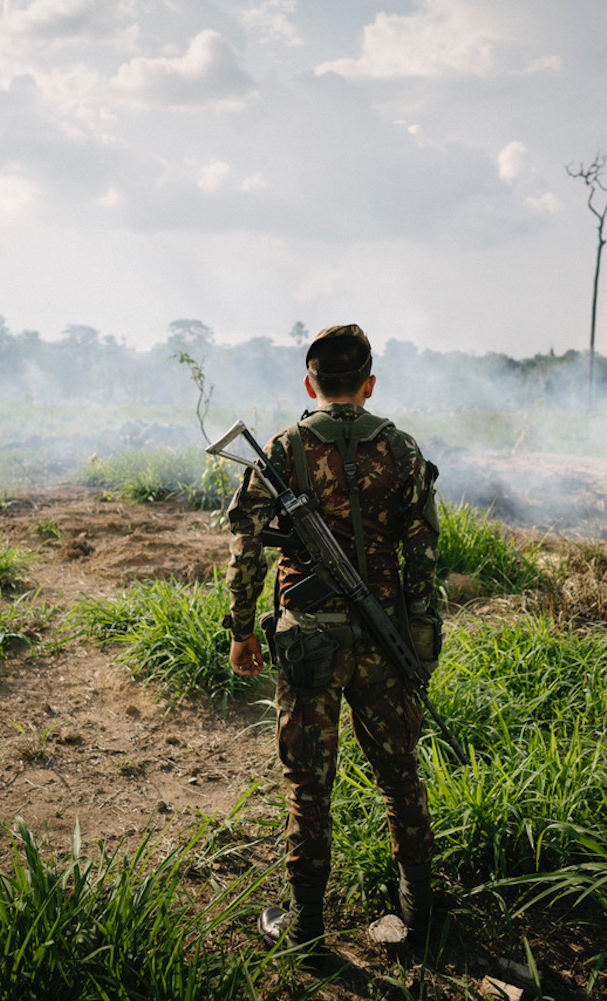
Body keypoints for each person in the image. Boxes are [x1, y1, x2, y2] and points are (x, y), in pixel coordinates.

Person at [223, 323, 442, 952]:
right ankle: (419, 913)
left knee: (308, 786)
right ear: (369, 385)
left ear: (309, 383)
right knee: (401, 776)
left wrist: (241, 632)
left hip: (308, 641)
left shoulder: (285, 447)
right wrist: (421, 642)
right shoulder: (400, 448)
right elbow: (424, 552)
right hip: (386, 635)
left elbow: (245, 549)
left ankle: (305, 924)